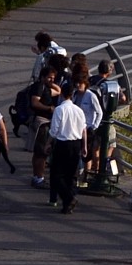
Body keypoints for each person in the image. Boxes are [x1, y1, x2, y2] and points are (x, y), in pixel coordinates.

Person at [46, 84, 89, 213]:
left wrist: (48, 143)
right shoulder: (79, 110)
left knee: (56, 175)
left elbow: (54, 130)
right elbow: (83, 129)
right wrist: (84, 146)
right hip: (76, 144)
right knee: (70, 176)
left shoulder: (59, 109)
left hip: (62, 143)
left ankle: (69, 199)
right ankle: (66, 206)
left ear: (61, 94)